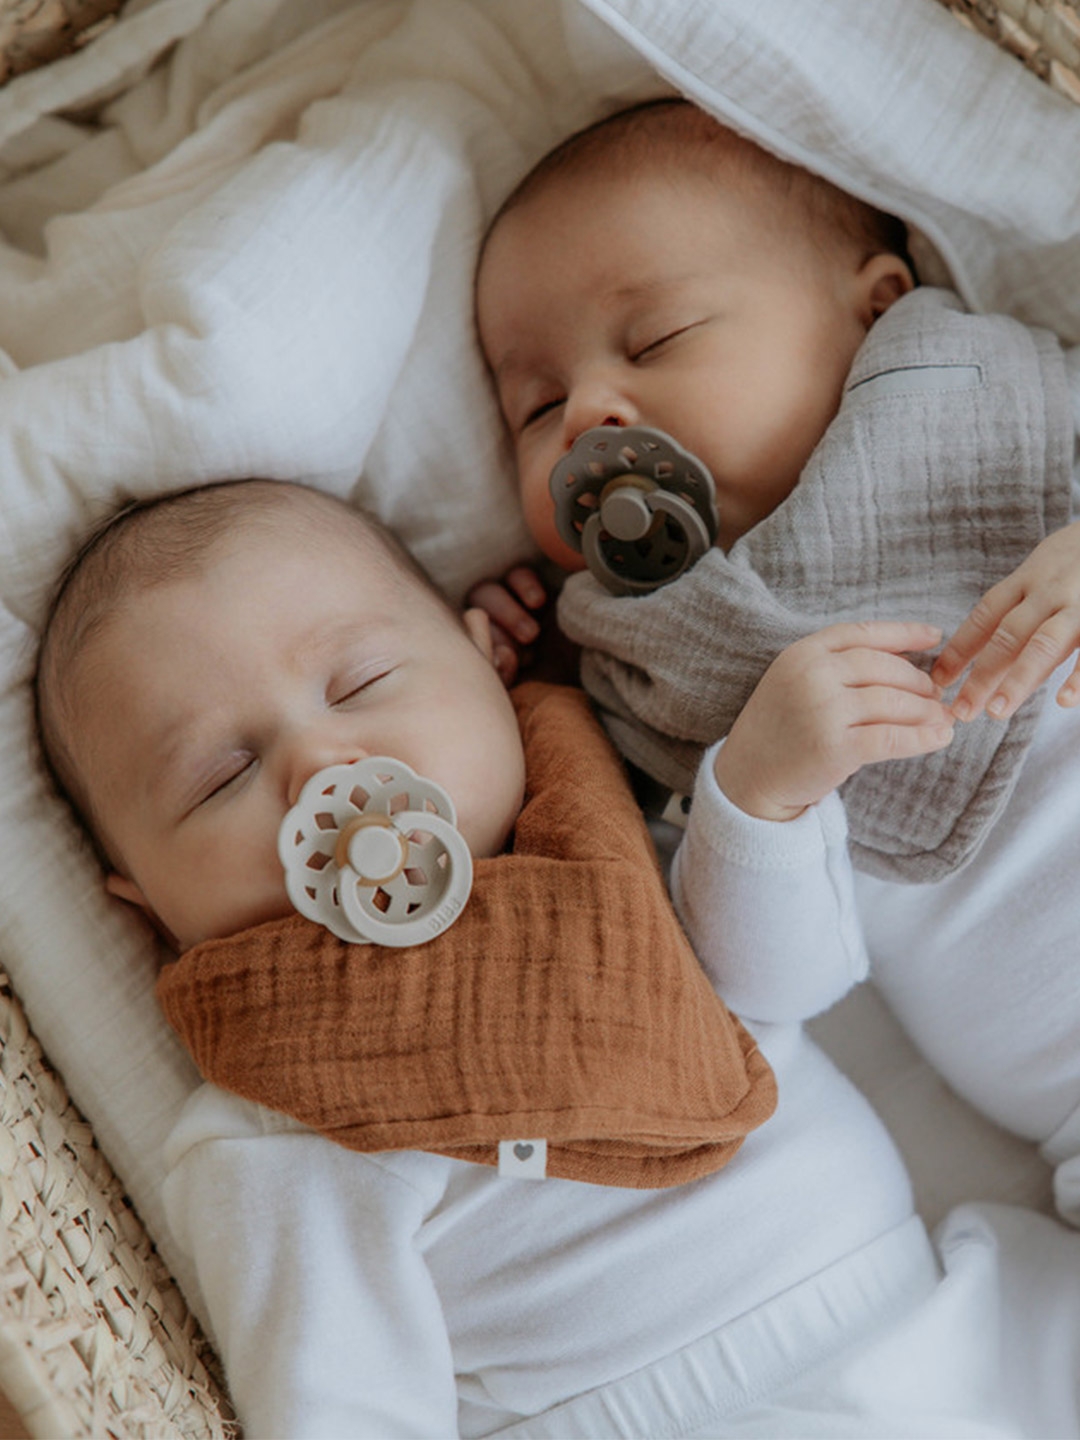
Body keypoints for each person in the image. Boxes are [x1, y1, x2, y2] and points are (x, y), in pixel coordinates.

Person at [33, 476, 1048, 1437]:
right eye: (220, 777)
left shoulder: (602, 851)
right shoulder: (279, 1118)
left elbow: (789, 986)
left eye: (361, 682)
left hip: (945, 1321)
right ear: (149, 908)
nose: (318, 768)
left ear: (488, 664)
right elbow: (342, 1400)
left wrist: (759, 804)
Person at [472, 97, 1080, 1172]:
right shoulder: (648, 685)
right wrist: (757, 798)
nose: (585, 418)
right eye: (534, 406)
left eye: (655, 338)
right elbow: (769, 993)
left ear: (876, 307)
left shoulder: (1000, 410)